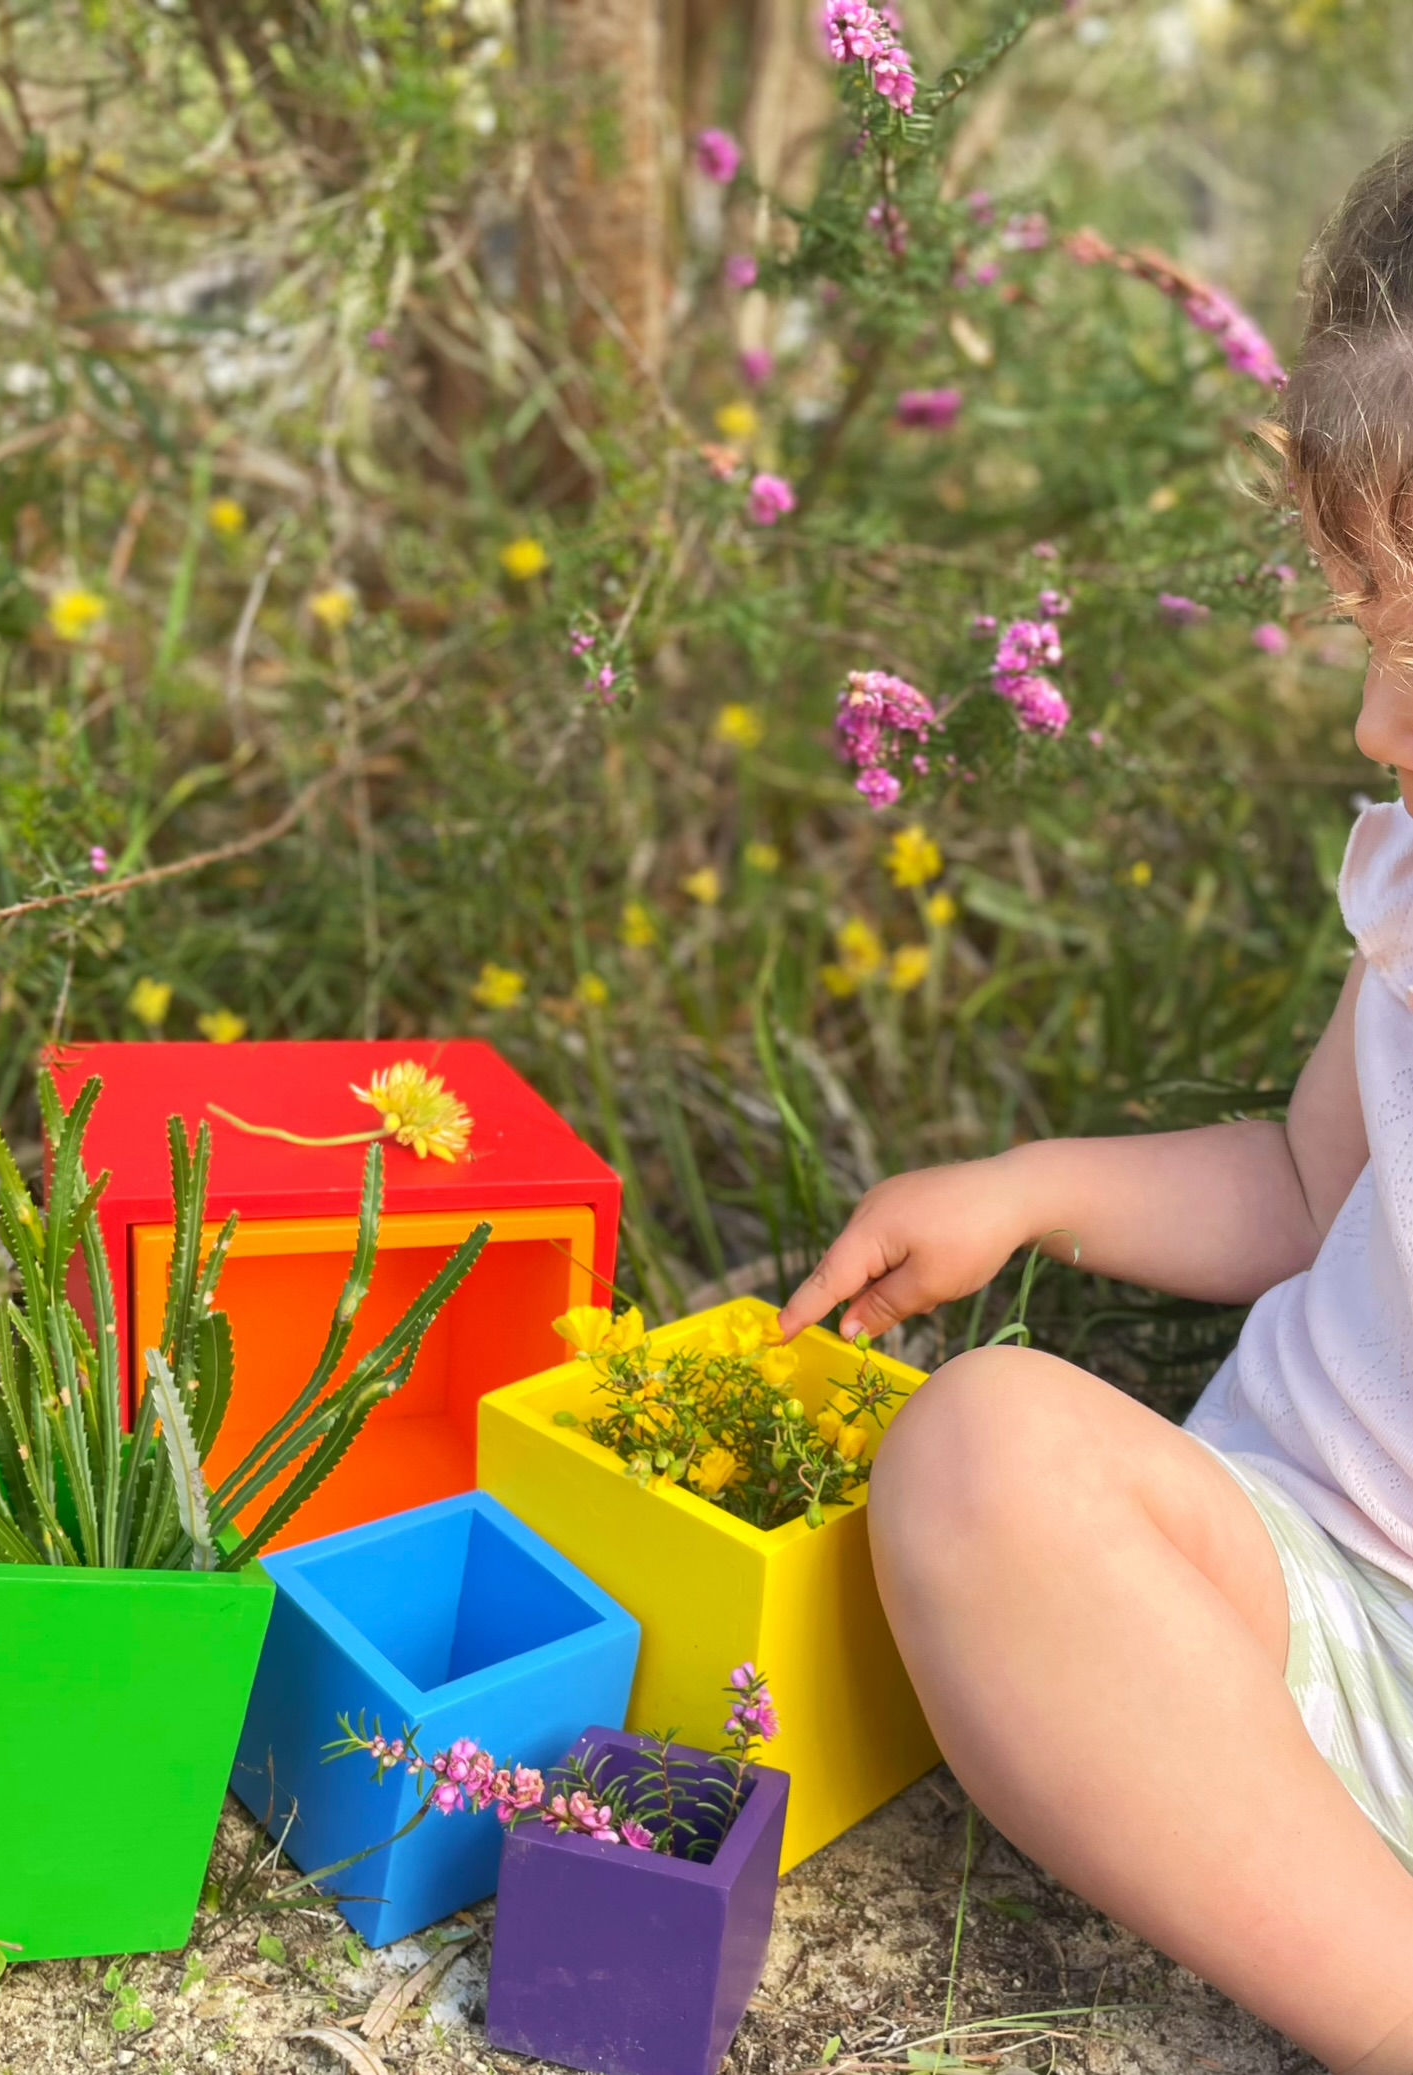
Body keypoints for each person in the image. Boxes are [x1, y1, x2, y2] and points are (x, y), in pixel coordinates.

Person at [779, 137, 1413, 2075]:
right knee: (985, 1464)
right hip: (1312, 1609)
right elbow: (1312, 1184)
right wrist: (1025, 1190)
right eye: (1371, 621)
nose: (1378, 725)